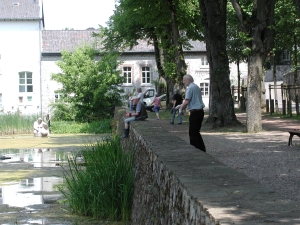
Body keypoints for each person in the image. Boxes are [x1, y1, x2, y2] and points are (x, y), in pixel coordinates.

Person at [179, 74, 206, 152]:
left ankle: (195, 150)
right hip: (200, 111)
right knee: (196, 132)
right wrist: (181, 105)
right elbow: (193, 100)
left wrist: (180, 109)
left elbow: (187, 101)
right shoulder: (196, 87)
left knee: (192, 133)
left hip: (195, 112)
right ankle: (201, 149)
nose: (183, 82)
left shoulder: (190, 88)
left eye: (184, 80)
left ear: (188, 80)